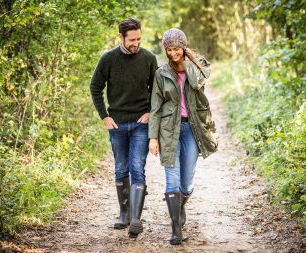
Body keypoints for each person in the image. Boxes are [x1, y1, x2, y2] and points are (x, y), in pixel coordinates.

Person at [148, 28, 218, 245]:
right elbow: (156, 107)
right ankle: (175, 227)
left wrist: (187, 62)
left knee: (186, 184)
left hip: (192, 129)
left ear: (184, 47)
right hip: (169, 130)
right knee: (172, 179)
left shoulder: (200, 65)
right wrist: (153, 137)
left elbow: (197, 83)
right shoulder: (161, 73)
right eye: (168, 49)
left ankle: (181, 206)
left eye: (176, 49)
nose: (172, 53)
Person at [90, 17, 157, 238]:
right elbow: (95, 87)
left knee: (137, 167)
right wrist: (104, 116)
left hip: (141, 123)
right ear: (121, 37)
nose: (136, 43)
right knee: (121, 169)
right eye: (132, 39)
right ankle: (124, 213)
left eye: (139, 38)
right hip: (116, 123)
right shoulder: (108, 58)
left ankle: (136, 219)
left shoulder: (149, 58)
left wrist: (150, 112)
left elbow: (157, 90)